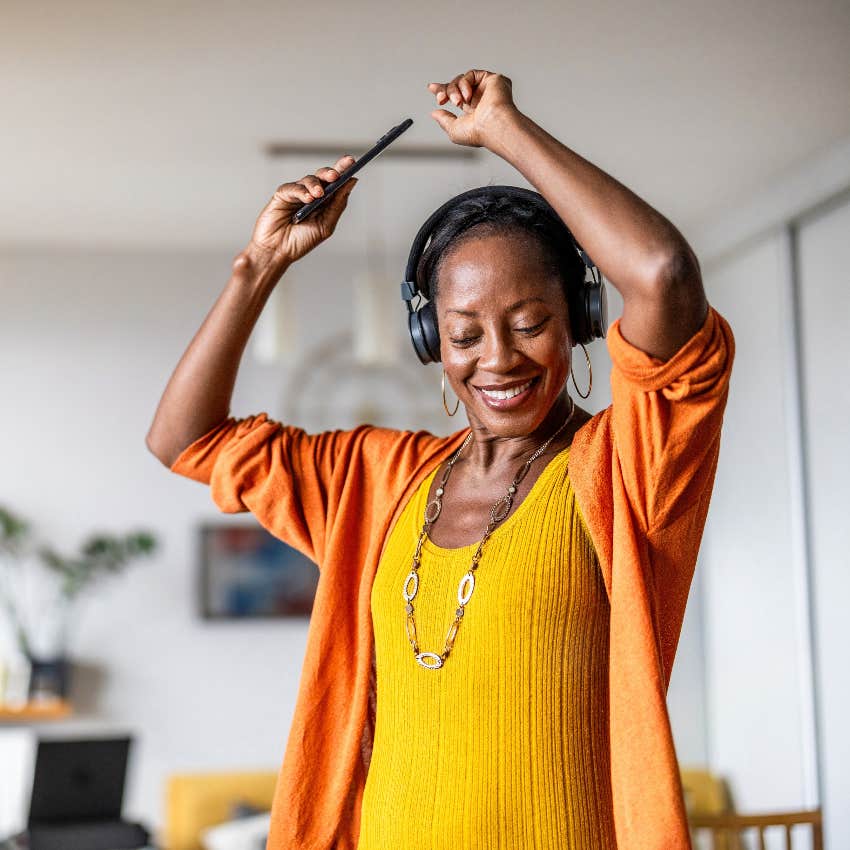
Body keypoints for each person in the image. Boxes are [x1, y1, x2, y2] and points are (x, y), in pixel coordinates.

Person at [146, 69, 734, 850]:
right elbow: (184, 439)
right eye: (463, 334)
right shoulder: (377, 481)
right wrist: (257, 267)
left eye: (530, 323)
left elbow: (662, 275)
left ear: (581, 320)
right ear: (432, 345)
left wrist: (507, 132)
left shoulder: (626, 467)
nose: (498, 359)